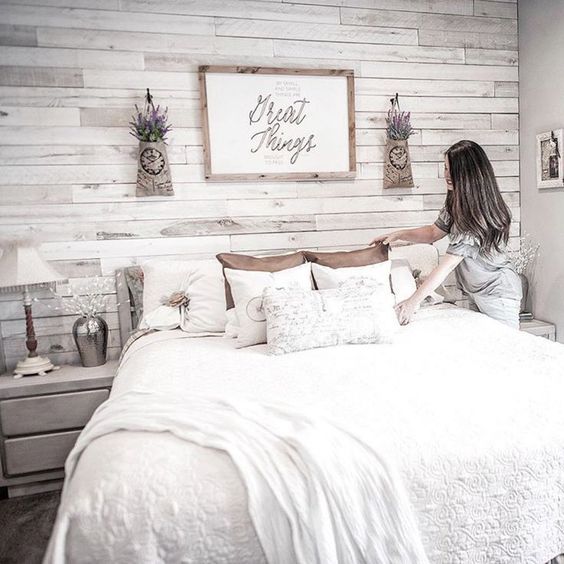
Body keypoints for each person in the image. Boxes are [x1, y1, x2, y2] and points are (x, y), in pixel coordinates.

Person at [371, 139, 522, 328]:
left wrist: (412, 302)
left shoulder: (476, 217)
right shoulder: (456, 203)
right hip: (476, 291)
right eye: (445, 168)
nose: (447, 175)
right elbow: (434, 232)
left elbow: (446, 267)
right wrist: (399, 234)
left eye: (452, 170)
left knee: (503, 349)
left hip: (498, 293)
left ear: (468, 173)